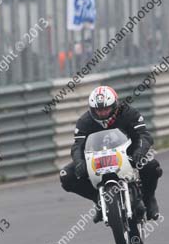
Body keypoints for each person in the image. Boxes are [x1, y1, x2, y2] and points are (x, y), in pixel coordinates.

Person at [60, 86, 162, 221]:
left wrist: (140, 151)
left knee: (152, 166)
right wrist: (79, 163)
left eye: (105, 109)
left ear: (115, 105)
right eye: (98, 110)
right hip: (97, 158)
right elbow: (77, 146)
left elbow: (144, 135)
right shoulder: (84, 122)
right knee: (66, 176)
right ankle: (98, 199)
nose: (102, 113)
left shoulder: (129, 113)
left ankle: (149, 199)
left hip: (128, 153)